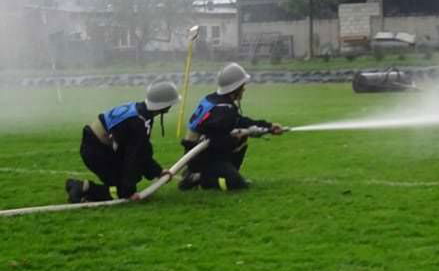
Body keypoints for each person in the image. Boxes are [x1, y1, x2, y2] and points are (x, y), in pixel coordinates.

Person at [65, 81, 181, 203]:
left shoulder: (140, 113)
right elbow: (132, 157)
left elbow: (141, 151)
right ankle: (81, 188)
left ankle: (84, 187)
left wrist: (158, 171)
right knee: (121, 192)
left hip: (95, 147)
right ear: (164, 106)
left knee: (126, 182)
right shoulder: (139, 122)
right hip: (96, 151)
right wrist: (129, 192)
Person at [179, 63, 285, 191]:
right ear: (235, 88)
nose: (244, 89)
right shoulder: (224, 110)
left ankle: (204, 173)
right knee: (238, 185)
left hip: (197, 154)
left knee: (241, 139)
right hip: (201, 157)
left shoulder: (215, 100)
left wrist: (268, 126)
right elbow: (216, 141)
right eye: (242, 86)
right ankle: (199, 177)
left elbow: (239, 121)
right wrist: (239, 136)